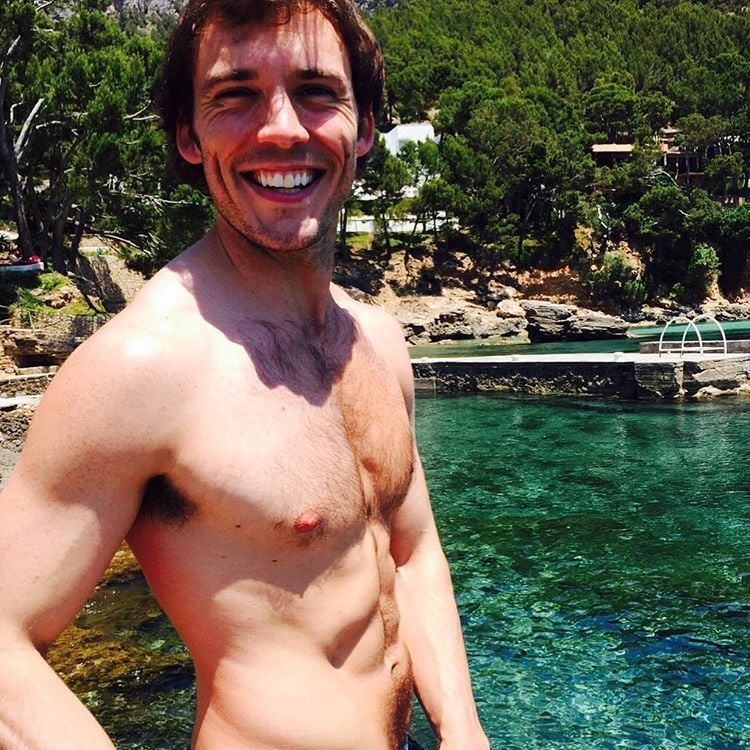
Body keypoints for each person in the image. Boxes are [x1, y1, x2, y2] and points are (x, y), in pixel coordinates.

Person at [0, 1, 490, 748]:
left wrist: (462, 729)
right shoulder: (143, 369)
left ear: (363, 127)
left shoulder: (379, 342)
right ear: (188, 136)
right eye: (236, 96)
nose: (283, 128)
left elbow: (413, 552)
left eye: (317, 91)